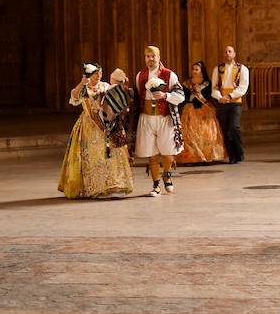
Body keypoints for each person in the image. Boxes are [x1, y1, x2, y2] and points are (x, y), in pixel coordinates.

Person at [58, 63, 133, 199]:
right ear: (88, 75)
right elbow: (74, 98)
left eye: (100, 73)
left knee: (111, 154)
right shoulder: (84, 88)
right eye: (95, 73)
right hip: (89, 126)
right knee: (95, 156)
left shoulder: (105, 86)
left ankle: (114, 184)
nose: (99, 76)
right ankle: (97, 186)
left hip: (107, 124)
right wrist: (82, 83)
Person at [133, 46, 185, 196]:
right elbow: (138, 97)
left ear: (159, 57)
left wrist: (164, 95)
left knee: (168, 153)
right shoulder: (140, 76)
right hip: (147, 118)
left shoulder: (169, 75)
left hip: (165, 118)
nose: (150, 59)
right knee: (152, 154)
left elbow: (180, 95)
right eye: (147, 56)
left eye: (153, 56)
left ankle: (167, 173)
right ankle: (156, 185)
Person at [177, 61, 227, 164]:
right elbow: (184, 97)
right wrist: (191, 96)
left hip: (205, 110)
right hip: (190, 110)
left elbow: (210, 96)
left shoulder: (207, 83)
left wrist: (199, 93)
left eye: (196, 69)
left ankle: (208, 156)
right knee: (190, 134)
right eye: (193, 69)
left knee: (208, 133)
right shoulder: (187, 83)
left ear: (201, 71)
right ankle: (192, 157)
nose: (194, 71)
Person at [211, 45, 249, 164]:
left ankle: (239, 153)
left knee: (234, 127)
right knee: (225, 129)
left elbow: (243, 87)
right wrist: (219, 97)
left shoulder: (242, 69)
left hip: (235, 102)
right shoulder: (217, 69)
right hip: (222, 102)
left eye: (230, 51)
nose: (227, 53)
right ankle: (231, 155)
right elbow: (215, 86)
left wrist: (230, 96)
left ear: (234, 54)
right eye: (225, 51)